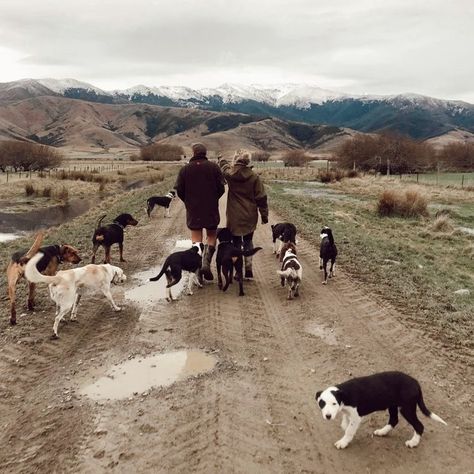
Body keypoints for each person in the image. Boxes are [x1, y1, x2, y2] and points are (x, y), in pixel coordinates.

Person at [175, 143, 225, 280]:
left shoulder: (185, 169)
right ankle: (206, 263)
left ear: (193, 152)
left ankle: (197, 270)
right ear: (205, 152)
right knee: (211, 235)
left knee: (196, 238)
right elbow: (222, 188)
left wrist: (188, 202)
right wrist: (213, 199)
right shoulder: (214, 167)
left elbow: (179, 190)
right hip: (210, 208)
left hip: (193, 209)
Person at [218, 149, 268, 279]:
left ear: (236, 160)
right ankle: (248, 267)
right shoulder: (254, 177)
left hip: (234, 215)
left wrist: (221, 159)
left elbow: (224, 168)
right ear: (248, 161)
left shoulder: (230, 175)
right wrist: (264, 215)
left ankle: (237, 271)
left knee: (235, 243)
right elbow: (261, 197)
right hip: (249, 215)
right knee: (248, 241)